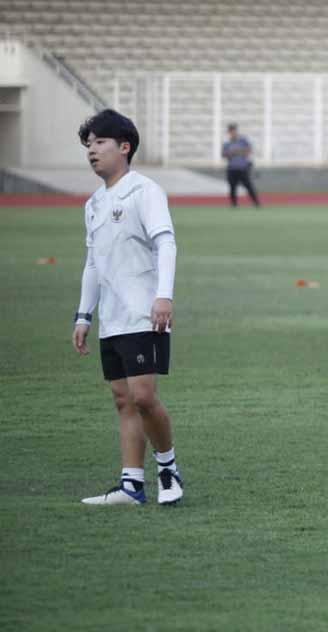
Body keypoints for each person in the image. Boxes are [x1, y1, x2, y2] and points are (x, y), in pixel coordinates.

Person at [73, 109, 183, 506]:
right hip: (112, 318)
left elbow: (165, 242)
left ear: (125, 147)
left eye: (100, 143)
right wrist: (84, 315)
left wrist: (164, 295)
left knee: (143, 396)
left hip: (144, 312)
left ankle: (168, 468)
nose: (92, 151)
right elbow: (92, 263)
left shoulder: (144, 191)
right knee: (123, 399)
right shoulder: (93, 204)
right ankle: (131, 486)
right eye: (88, 145)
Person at [222, 123, 261, 208]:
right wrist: (236, 152)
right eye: (230, 131)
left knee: (249, 186)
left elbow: (248, 150)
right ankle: (234, 204)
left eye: (233, 130)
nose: (232, 132)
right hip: (232, 168)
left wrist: (235, 152)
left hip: (242, 168)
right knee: (232, 187)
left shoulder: (243, 140)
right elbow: (224, 154)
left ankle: (256, 203)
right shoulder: (227, 143)